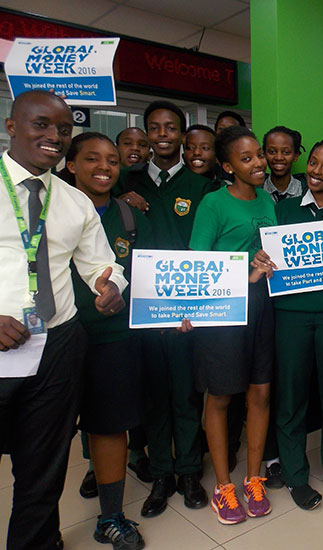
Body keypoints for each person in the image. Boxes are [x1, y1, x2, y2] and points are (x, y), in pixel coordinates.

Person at [0, 90, 127, 550]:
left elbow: (100, 264)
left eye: (63, 129)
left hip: (58, 343)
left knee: (42, 464)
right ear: (12, 126)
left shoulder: (75, 202)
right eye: (41, 125)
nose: (54, 137)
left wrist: (109, 286)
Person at [116, 100, 213, 517]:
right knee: (154, 394)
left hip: (190, 309)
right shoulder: (127, 180)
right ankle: (160, 474)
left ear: (182, 134)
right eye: (154, 128)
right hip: (144, 309)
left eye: (170, 128)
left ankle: (190, 470)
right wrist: (120, 194)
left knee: (187, 393)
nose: (162, 135)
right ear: (146, 134)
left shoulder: (202, 186)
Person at [255, 140, 323, 510]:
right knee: (291, 398)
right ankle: (296, 475)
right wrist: (263, 257)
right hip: (291, 317)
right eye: (313, 163)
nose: (316, 171)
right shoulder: (281, 210)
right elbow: (264, 253)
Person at [65, 132, 152, 549]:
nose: (104, 167)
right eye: (92, 159)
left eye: (113, 161)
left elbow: (153, 271)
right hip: (57, 336)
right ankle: (38, 521)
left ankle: (111, 516)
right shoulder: (51, 211)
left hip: (113, 336)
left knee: (109, 425)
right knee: (48, 433)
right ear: (70, 165)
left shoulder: (129, 214)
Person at [189, 125, 276, 525]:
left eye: (258, 154)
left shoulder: (267, 200)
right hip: (221, 310)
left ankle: (252, 478)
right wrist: (247, 276)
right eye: (246, 158)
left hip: (261, 309)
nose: (259, 162)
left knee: (260, 392)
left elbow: (270, 252)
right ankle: (224, 486)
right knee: (221, 397)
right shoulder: (213, 204)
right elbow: (198, 265)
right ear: (226, 166)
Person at [262, 126, 306, 203]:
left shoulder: (306, 190)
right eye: (272, 152)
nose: (279, 158)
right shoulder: (255, 190)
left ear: (295, 156)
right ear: (264, 154)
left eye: (286, 152)